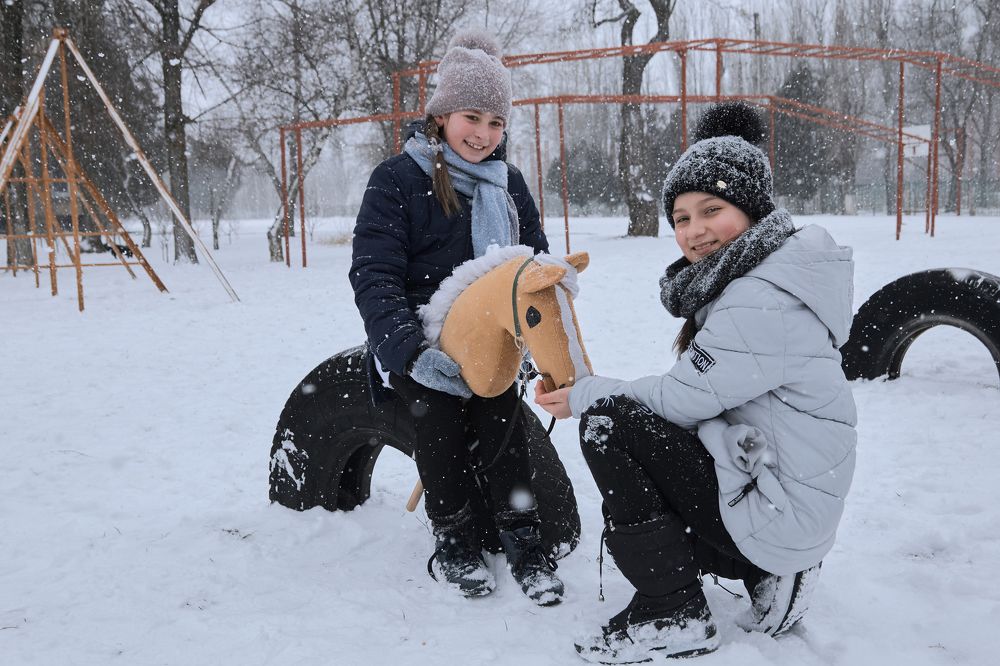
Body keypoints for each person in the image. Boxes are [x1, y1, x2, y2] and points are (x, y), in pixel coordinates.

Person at [534, 101, 857, 661]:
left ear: (753, 212)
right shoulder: (766, 275)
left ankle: (672, 611)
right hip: (786, 501)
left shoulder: (761, 298)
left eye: (712, 210)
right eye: (682, 218)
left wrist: (586, 393)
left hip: (782, 515)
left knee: (611, 424)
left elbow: (681, 399)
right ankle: (763, 572)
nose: (695, 230)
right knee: (648, 426)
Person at [349, 29, 564, 606]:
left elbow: (531, 267)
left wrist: (536, 341)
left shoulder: (508, 184)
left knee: (502, 425)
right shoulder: (398, 179)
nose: (485, 135)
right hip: (421, 342)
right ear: (442, 115)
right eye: (473, 117)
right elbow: (375, 276)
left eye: (497, 123)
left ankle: (523, 538)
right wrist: (412, 354)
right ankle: (454, 539)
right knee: (439, 423)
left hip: (489, 344)